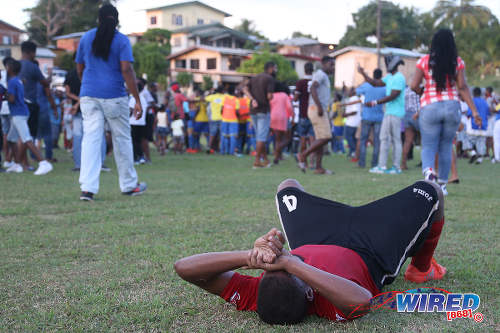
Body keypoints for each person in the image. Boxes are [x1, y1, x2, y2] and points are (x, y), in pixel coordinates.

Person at [175, 178, 446, 324]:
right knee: (431, 190)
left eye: (270, 271)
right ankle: (421, 269)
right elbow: (362, 301)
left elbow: (183, 268)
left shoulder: (259, 296)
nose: (277, 266)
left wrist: (249, 257)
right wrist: (291, 263)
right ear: (308, 292)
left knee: (287, 188)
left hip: (315, 236)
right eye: (284, 269)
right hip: (370, 247)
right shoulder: (328, 303)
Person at [75, 4, 146, 201]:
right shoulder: (122, 40)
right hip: (114, 96)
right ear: (117, 20)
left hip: (89, 94)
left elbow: (79, 68)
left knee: (91, 140)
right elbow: (126, 70)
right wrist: (137, 100)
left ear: (98, 19)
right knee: (122, 139)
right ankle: (129, 185)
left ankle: (87, 189)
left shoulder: (86, 38)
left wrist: (88, 86)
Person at [411, 29, 481, 194]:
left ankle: (429, 172)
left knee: (428, 144)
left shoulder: (424, 61)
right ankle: (442, 185)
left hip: (430, 106)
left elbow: (414, 85)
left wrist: (423, 93)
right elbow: (462, 87)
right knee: (445, 145)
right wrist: (475, 112)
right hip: (452, 106)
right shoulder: (457, 62)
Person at [4, 60, 53, 175]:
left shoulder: (12, 82)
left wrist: (4, 95)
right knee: (11, 139)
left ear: (10, 69)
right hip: (21, 112)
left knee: (27, 138)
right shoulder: (19, 80)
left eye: (6, 67)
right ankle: (16, 164)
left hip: (18, 114)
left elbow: (11, 99)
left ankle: (43, 163)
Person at [360, 56, 406, 175]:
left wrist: (375, 102)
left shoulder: (399, 78)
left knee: (396, 139)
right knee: (383, 139)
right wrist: (363, 74)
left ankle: (396, 167)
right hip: (388, 112)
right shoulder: (389, 77)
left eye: (387, 63)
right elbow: (376, 83)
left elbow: (393, 95)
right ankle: (382, 166)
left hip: (396, 113)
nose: (386, 66)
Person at [296, 56, 335, 175]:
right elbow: (312, 88)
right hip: (316, 109)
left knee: (321, 139)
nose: (333, 68)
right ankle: (303, 155)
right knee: (326, 137)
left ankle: (319, 167)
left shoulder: (323, 76)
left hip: (317, 109)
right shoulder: (321, 74)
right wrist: (319, 106)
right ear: (324, 64)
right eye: (331, 65)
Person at [245, 61, 276, 168]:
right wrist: (272, 97)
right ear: (271, 68)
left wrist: (252, 99)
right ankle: (257, 161)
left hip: (253, 110)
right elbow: (269, 96)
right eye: (275, 68)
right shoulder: (270, 79)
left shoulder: (254, 78)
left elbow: (245, 89)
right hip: (263, 110)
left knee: (259, 135)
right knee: (261, 137)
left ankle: (266, 160)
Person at [355, 69, 386, 168]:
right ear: (381, 76)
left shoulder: (367, 85)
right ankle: (374, 163)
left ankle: (362, 163)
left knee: (363, 140)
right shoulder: (384, 86)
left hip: (367, 116)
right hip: (379, 117)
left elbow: (356, 91)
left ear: (373, 75)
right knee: (377, 141)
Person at [463, 87, 490, 165]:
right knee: (481, 142)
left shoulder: (472, 101)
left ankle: (473, 153)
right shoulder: (484, 102)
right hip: (483, 125)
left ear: (473, 93)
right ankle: (480, 160)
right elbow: (488, 113)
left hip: (473, 124)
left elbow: (469, 113)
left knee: (467, 140)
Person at [294, 62, 314, 161]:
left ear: (304, 70)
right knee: (312, 140)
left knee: (302, 138)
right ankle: (311, 162)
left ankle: (303, 161)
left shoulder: (300, 83)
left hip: (303, 113)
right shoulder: (315, 81)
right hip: (314, 113)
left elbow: (296, 98)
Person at [270, 82, 293, 164]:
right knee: (286, 139)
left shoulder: (272, 95)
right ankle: (277, 152)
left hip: (272, 117)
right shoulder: (284, 95)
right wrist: (291, 116)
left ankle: (278, 156)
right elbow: (289, 107)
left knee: (277, 139)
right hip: (282, 118)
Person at [129, 79, 148, 163]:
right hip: (141, 123)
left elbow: (130, 110)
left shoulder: (134, 99)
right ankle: (141, 157)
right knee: (138, 141)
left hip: (133, 122)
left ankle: (136, 158)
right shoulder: (143, 99)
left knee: (133, 141)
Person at [401, 86, 421, 170]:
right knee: (425, 141)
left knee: (407, 141)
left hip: (406, 115)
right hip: (417, 114)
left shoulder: (405, 90)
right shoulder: (419, 88)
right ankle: (426, 163)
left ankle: (403, 164)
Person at [341, 88, 361, 159]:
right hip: (354, 122)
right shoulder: (354, 98)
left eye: (349, 91)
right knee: (353, 139)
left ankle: (354, 151)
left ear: (353, 92)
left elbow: (354, 111)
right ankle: (352, 152)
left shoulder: (353, 99)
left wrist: (345, 114)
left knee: (348, 137)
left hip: (352, 122)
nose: (347, 92)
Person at [205, 86, 225, 154]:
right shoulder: (224, 97)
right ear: (222, 91)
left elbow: (205, 98)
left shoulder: (213, 96)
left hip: (213, 118)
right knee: (221, 134)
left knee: (212, 134)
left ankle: (209, 147)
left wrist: (211, 92)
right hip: (222, 118)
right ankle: (219, 148)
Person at [220, 91, 240, 155]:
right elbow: (237, 111)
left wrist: (223, 115)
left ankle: (222, 151)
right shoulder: (236, 99)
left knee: (223, 136)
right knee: (233, 136)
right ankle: (231, 152)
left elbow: (221, 109)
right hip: (233, 120)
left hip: (224, 119)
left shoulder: (224, 98)